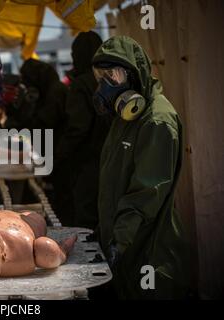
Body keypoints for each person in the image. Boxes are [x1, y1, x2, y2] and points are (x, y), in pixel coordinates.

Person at [92, 36, 191, 299]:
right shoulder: (126, 117)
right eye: (101, 75)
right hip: (126, 245)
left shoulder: (157, 121)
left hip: (149, 252)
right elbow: (115, 179)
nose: (106, 84)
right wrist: (105, 232)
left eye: (113, 75)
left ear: (135, 75)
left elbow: (147, 192)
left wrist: (118, 242)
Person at [54, 31, 111, 228]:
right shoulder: (111, 77)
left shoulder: (82, 84)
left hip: (88, 163)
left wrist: (57, 156)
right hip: (112, 158)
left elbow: (78, 128)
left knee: (88, 222)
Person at [18, 59, 68, 218]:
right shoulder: (49, 90)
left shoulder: (55, 92)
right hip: (53, 152)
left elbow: (44, 122)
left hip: (59, 154)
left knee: (61, 200)